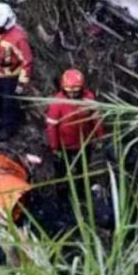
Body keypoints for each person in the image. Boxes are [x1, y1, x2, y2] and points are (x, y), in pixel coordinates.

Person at [46, 68, 105, 199]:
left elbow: (96, 119)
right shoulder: (58, 102)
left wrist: (100, 137)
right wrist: (54, 147)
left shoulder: (88, 99)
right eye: (69, 92)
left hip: (84, 142)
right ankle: (61, 196)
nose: (72, 95)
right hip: (63, 145)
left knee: (82, 170)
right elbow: (52, 127)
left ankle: (82, 194)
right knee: (61, 172)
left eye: (76, 92)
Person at [0, 3, 33, 140]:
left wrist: (21, 85)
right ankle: (1, 118)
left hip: (10, 77)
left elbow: (27, 61)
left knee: (9, 103)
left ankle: (9, 128)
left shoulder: (18, 38)